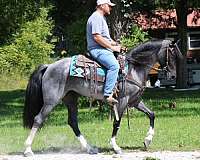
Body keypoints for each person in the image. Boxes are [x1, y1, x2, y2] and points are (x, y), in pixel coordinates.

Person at [86, 0, 121, 104]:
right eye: (109, 6)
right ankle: (108, 94)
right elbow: (97, 37)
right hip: (97, 49)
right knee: (114, 66)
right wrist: (112, 48)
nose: (110, 8)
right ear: (101, 5)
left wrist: (117, 45)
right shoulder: (96, 17)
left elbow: (106, 38)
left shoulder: (101, 18)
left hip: (102, 48)